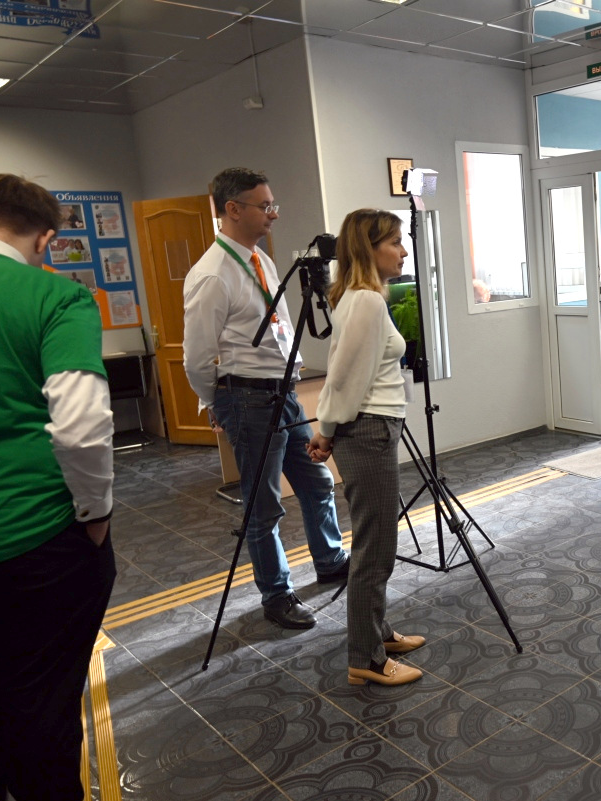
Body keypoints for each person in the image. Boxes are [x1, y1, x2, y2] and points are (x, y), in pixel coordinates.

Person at [183, 167, 349, 630]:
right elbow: (196, 358)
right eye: (265, 205)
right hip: (248, 400)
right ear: (232, 209)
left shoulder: (262, 261)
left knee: (316, 482)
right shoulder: (211, 275)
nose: (274, 214)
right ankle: (276, 594)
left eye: (273, 204)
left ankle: (330, 560)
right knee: (264, 505)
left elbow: (279, 328)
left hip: (283, 393)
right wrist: (215, 403)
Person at [0, 174, 116, 799]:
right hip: (34, 536)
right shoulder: (55, 298)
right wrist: (95, 515)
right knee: (42, 702)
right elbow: (82, 426)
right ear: (45, 239)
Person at [307, 209, 424, 687]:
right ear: (368, 249)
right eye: (394, 242)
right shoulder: (367, 302)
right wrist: (326, 429)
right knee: (376, 549)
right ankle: (366, 658)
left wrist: (328, 429)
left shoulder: (362, 298)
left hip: (374, 426)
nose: (403, 251)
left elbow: (346, 368)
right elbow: (343, 378)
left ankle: (377, 633)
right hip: (368, 430)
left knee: (376, 541)